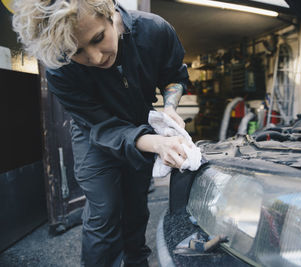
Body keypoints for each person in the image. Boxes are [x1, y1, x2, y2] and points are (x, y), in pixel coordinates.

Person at [12, 0, 190, 266]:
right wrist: (152, 142)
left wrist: (170, 106)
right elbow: (100, 124)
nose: (95, 58)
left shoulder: (155, 30)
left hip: (140, 122)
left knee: (135, 207)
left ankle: (136, 261)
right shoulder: (58, 68)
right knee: (104, 211)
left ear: (108, 9)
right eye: (76, 51)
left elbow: (174, 75)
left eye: (98, 38)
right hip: (94, 131)